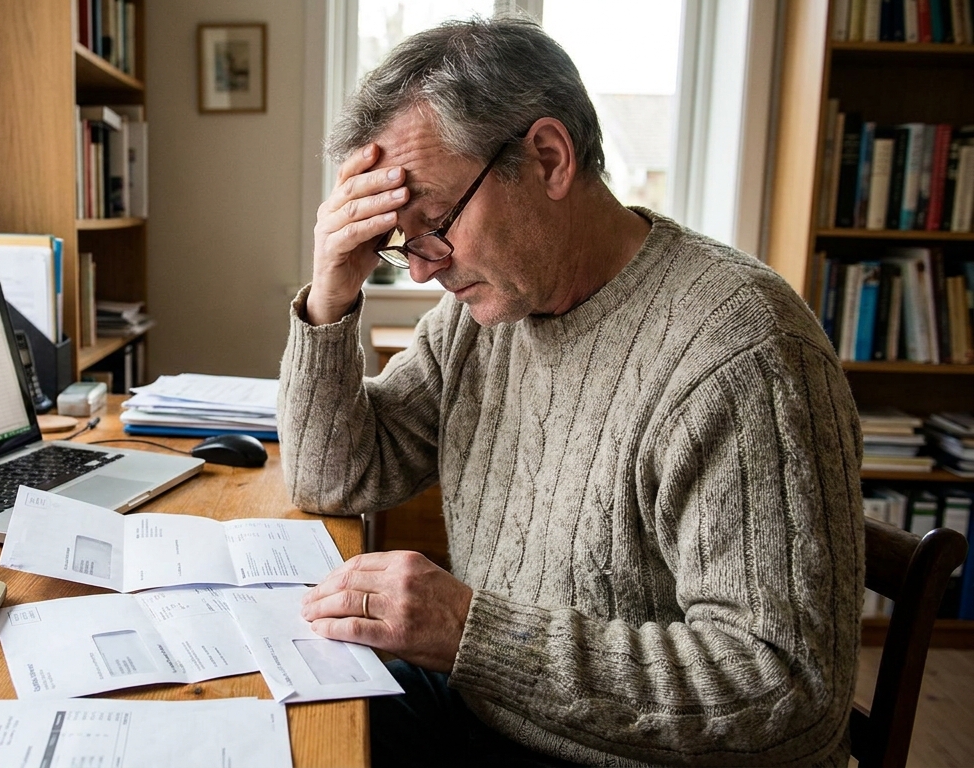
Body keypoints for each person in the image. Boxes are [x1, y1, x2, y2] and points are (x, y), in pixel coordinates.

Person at [279, 15, 863, 768]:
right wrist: (331, 295)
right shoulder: (484, 315)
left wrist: (472, 633)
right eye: (401, 239)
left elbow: (785, 696)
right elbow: (334, 477)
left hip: (621, 755)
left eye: (436, 222)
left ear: (549, 158)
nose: (422, 268)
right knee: (281, 725)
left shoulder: (740, 350)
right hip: (491, 713)